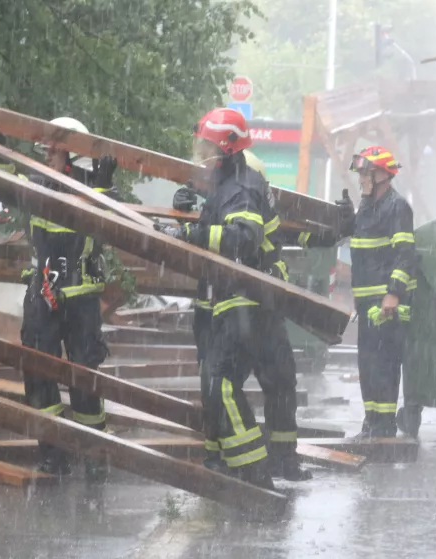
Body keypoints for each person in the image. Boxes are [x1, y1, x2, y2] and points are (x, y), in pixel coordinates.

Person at [158, 108, 274, 489]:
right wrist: (188, 214)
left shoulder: (241, 189)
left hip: (240, 303)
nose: (201, 154)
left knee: (220, 383)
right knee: (214, 385)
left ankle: (254, 476)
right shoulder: (225, 185)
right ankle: (224, 465)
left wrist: (189, 234)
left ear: (225, 149)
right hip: (220, 301)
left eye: (206, 147)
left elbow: (243, 240)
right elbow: (216, 230)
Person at [20, 116, 118, 479]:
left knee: (84, 377)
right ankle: (53, 452)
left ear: (72, 156)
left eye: (53, 150)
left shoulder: (95, 188)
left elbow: (111, 224)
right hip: (42, 295)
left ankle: (93, 454)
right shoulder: (36, 184)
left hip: (80, 301)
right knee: (38, 373)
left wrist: (104, 189)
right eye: (45, 149)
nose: (46, 155)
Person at [344, 146, 416, 437]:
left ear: (382, 175)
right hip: (367, 302)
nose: (361, 179)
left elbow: (405, 254)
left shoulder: (397, 207)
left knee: (384, 364)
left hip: (385, 302)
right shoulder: (366, 207)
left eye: (366, 173)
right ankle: (371, 422)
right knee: (368, 364)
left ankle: (384, 426)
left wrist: (393, 294)